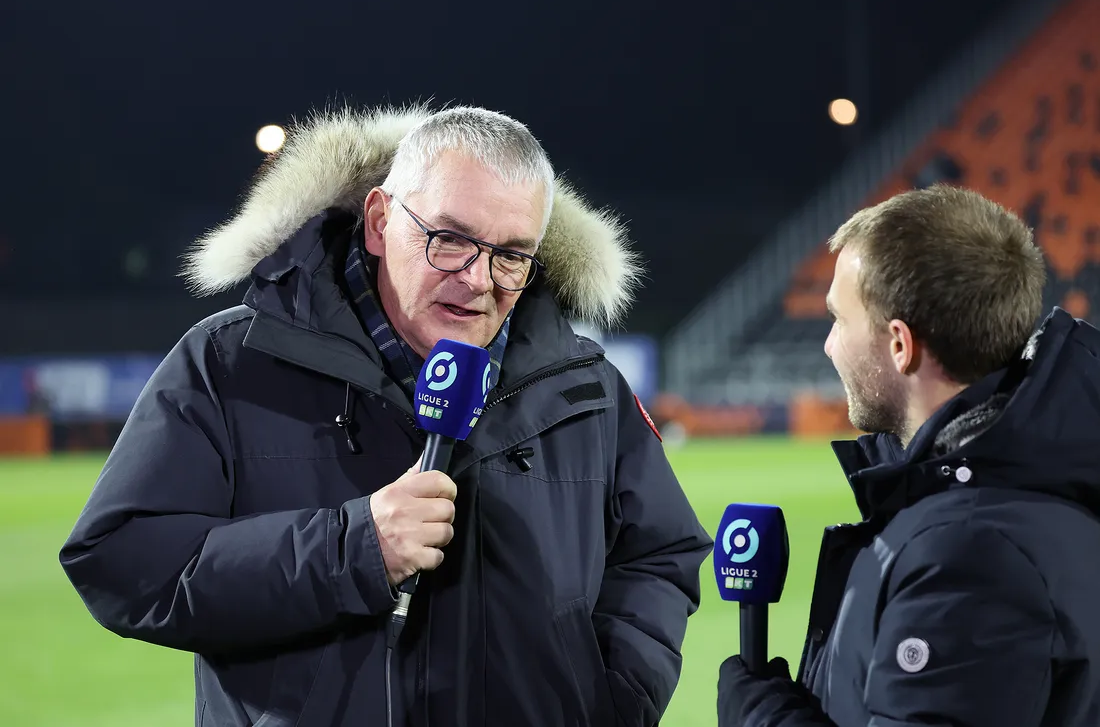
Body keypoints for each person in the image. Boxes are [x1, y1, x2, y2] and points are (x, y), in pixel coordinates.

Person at [60, 104, 712, 727]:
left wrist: (613, 703)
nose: (479, 278)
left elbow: (661, 553)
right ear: (379, 220)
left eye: (512, 254)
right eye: (450, 240)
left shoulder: (584, 387)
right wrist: (353, 548)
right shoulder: (230, 362)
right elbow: (120, 561)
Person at [718, 184, 1100, 726]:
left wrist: (759, 715)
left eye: (838, 320)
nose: (828, 345)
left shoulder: (971, 553)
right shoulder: (1017, 495)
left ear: (900, 345)